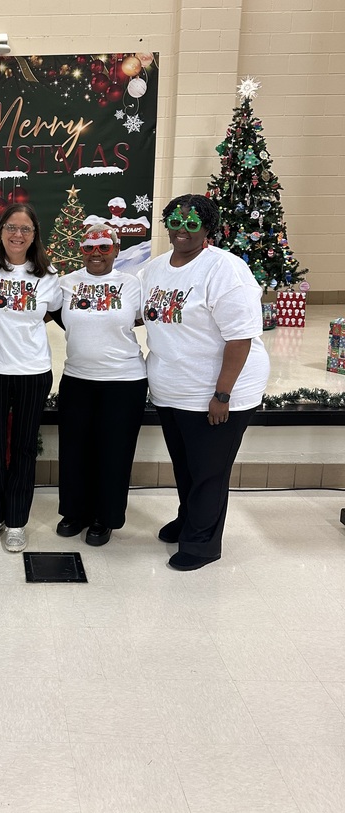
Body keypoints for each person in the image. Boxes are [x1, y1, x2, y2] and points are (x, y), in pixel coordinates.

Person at [139, 194, 270, 570]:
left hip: (217, 392)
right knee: (186, 465)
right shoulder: (155, 269)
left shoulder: (224, 269)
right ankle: (188, 520)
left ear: (208, 227)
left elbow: (240, 336)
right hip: (172, 390)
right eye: (175, 222)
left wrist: (222, 394)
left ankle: (202, 544)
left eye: (192, 223)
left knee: (209, 471)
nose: (182, 230)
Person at [0, 204, 61, 552]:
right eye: (11, 227)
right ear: (0, 230)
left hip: (33, 373)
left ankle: (17, 521)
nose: (17, 235)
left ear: (35, 235)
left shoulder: (47, 276)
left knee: (22, 450)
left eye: (25, 229)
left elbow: (50, 316)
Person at [56, 224, 148, 546]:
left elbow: (144, 318)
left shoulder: (132, 284)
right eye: (89, 248)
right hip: (77, 378)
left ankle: (104, 518)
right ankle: (74, 512)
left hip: (123, 381)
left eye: (104, 247)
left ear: (116, 249)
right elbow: (52, 315)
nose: (96, 253)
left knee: (114, 453)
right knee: (74, 450)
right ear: (81, 250)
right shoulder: (66, 284)